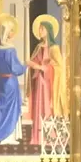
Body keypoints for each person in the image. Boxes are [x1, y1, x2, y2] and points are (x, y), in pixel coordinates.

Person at [0, 15, 26, 145]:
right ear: (7, 32)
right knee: (10, 109)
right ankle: (8, 137)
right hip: (9, 83)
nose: (13, 33)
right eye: (11, 30)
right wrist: (25, 65)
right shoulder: (10, 49)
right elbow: (16, 69)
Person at [28, 14, 65, 145]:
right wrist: (32, 65)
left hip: (49, 83)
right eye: (39, 29)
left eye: (42, 29)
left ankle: (49, 136)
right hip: (39, 81)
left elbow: (59, 67)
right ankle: (37, 138)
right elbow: (35, 62)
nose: (40, 31)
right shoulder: (38, 47)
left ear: (48, 31)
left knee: (47, 107)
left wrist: (44, 68)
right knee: (38, 106)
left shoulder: (54, 48)